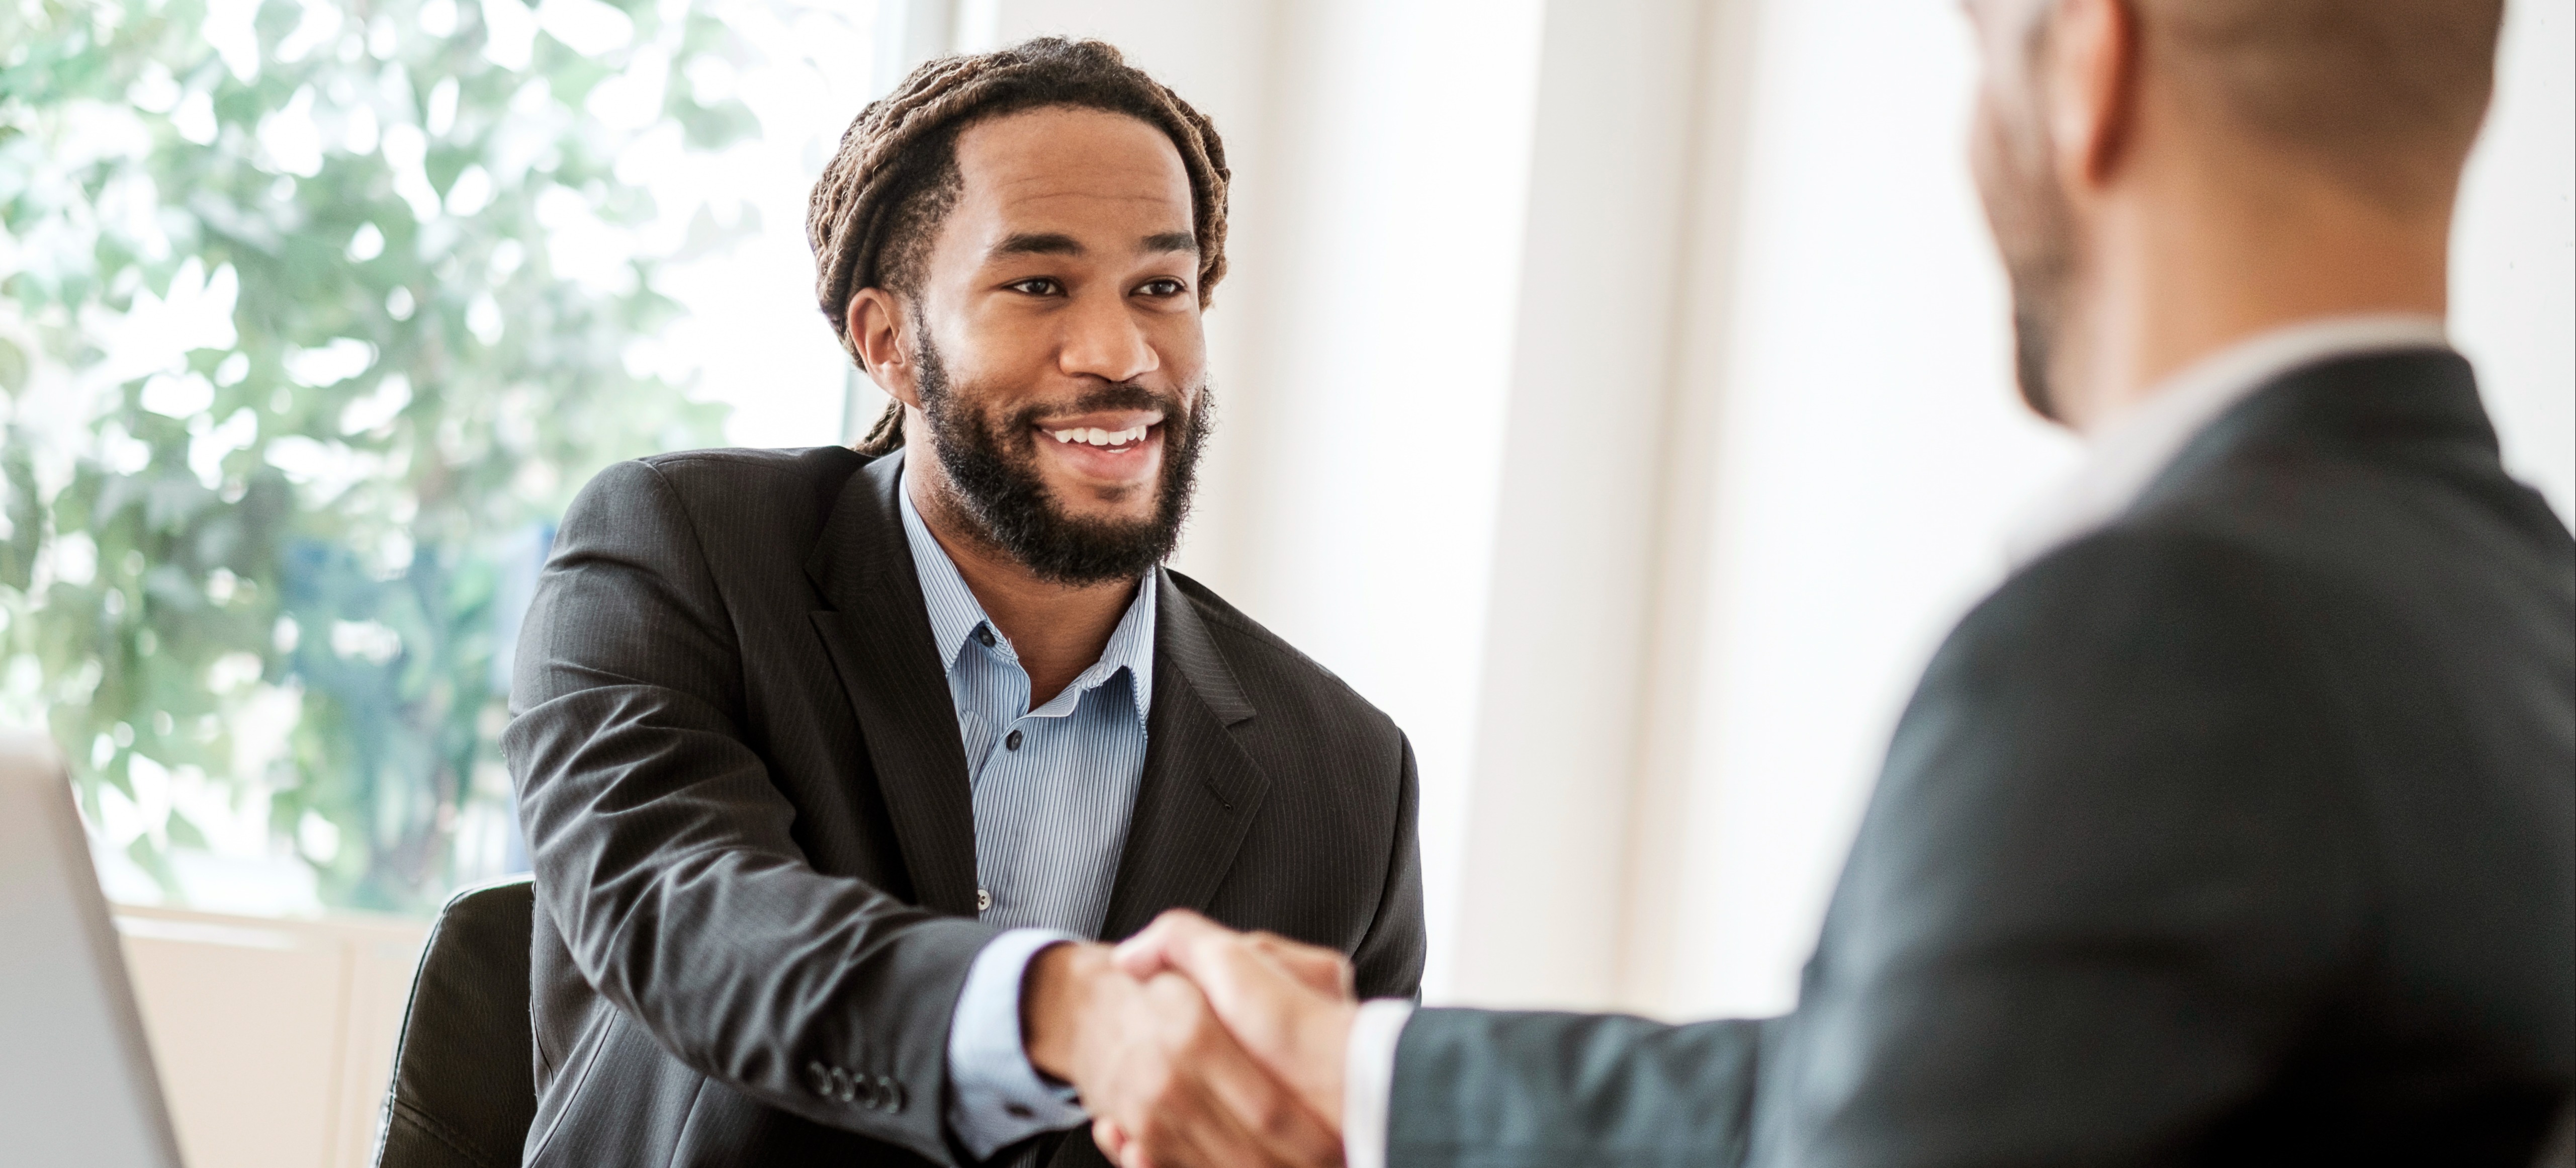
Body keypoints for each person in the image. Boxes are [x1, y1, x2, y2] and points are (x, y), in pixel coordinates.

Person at [1103, 0, 2576, 1164]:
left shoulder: (2148, 635)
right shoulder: (2524, 608)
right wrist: (1363, 1078)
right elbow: (1946, 1076)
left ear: (2088, 66)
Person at [503, 38, 1423, 1168]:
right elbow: (683, 915)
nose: (1120, 352)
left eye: (1160, 288)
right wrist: (1065, 1011)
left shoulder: (1348, 779)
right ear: (888, 342)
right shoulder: (679, 553)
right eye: (1038, 285)